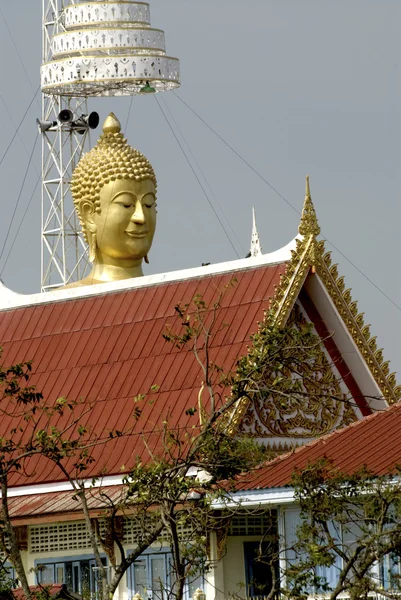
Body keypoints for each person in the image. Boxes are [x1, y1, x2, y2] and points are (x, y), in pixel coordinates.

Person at [63, 112, 157, 288]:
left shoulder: (179, 301)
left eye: (148, 204)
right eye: (126, 204)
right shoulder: (62, 302)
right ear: (88, 213)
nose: (141, 217)